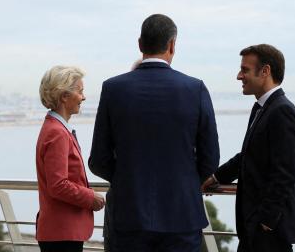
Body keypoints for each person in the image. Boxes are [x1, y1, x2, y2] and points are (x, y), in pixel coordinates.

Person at [89, 14, 219, 252]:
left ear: (140, 45)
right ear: (172, 45)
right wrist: (185, 182)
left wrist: (126, 179)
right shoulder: (195, 89)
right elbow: (210, 158)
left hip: (128, 217)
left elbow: (98, 160)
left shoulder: (113, 89)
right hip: (182, 217)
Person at [202, 44, 295, 252]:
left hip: (268, 234)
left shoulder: (282, 111)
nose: (239, 76)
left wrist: (265, 222)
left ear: (265, 71)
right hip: (255, 231)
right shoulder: (262, 108)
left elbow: (285, 172)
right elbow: (248, 155)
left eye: (245, 70)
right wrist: (215, 178)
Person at [36, 66, 106, 252]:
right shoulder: (57, 133)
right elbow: (58, 184)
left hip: (61, 231)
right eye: (80, 91)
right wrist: (90, 197)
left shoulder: (54, 128)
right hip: (62, 232)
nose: (83, 97)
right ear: (64, 96)